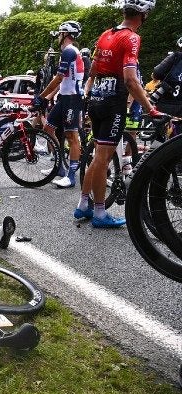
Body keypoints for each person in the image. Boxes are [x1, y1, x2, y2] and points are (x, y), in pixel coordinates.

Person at [76, 0, 163, 228]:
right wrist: (150, 109)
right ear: (143, 16)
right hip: (113, 102)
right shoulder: (131, 38)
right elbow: (130, 80)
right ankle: (100, 213)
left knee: (98, 156)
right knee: (103, 159)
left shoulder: (106, 34)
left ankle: (83, 204)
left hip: (95, 99)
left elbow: (93, 70)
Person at [34, 21, 84, 188]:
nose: (58, 36)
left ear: (65, 34)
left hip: (72, 99)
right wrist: (48, 97)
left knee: (71, 137)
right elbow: (63, 82)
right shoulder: (67, 52)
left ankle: (71, 177)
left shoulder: (69, 51)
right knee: (48, 129)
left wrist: (41, 96)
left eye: (60, 33)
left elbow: (59, 78)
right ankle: (60, 168)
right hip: (64, 97)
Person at [152, 37, 182, 117]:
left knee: (162, 126)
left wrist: (166, 79)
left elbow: (157, 73)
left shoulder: (176, 56)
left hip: (166, 100)